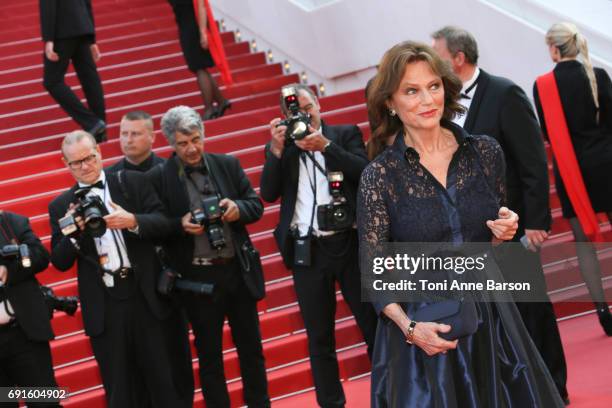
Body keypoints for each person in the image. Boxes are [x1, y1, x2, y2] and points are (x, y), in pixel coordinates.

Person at [360, 40, 565, 407]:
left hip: (492, 317)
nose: (427, 100)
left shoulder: (485, 153)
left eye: (433, 86)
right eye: (411, 90)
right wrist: (410, 329)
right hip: (425, 326)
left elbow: (488, 236)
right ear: (390, 102)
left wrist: (505, 229)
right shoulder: (381, 177)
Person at [431, 26, 569, 402]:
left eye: (437, 53)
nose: (431, 62)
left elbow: (533, 161)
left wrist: (537, 221)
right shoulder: (441, 104)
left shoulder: (504, 93)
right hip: (473, 236)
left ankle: (555, 387)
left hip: (515, 226)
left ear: (457, 58)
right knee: (498, 320)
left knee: (531, 310)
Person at [48, 131, 193, 408]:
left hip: (146, 296)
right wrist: (75, 232)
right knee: (121, 390)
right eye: (76, 162)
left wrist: (133, 221)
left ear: (99, 153)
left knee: (164, 381)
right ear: (65, 164)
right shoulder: (59, 207)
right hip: (106, 305)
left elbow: (165, 224)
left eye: (89, 158)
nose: (85, 166)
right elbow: (60, 261)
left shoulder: (132, 183)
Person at [260, 83, 377, 408]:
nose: (302, 114)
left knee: (372, 324)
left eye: (307, 106)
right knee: (320, 337)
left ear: (318, 104)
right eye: (293, 111)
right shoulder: (284, 147)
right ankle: (331, 403)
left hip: (349, 243)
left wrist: (326, 146)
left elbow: (366, 172)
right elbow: (268, 193)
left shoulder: (343, 134)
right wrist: (276, 150)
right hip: (306, 250)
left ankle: (389, 392)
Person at [148, 106, 270, 408]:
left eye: (195, 139)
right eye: (182, 143)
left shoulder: (226, 164)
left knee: (251, 350)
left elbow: (255, 205)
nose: (191, 148)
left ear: (203, 134)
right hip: (198, 280)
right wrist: (179, 225)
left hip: (237, 272)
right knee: (209, 357)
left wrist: (237, 209)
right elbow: (155, 225)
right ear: (171, 145)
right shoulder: (160, 178)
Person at [533, 22, 612, 336]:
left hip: (573, 170)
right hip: (606, 162)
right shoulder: (599, 76)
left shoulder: (543, 85)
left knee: (583, 245)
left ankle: (603, 311)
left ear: (553, 49)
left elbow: (548, 134)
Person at [0, 211, 60, 408]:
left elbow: (40, 255)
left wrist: (9, 271)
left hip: (23, 337)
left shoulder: (11, 222)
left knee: (44, 401)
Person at [39, 0, 107, 142]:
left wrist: (49, 38)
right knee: (89, 77)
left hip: (62, 31)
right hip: (82, 26)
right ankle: (100, 131)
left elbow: (48, 4)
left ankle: (93, 123)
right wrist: (92, 37)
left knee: (52, 81)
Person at [168, 0, 232, 120]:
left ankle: (209, 108)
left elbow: (201, 5)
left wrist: (203, 32)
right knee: (200, 67)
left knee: (199, 68)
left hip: (193, 28)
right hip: (187, 27)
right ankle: (221, 101)